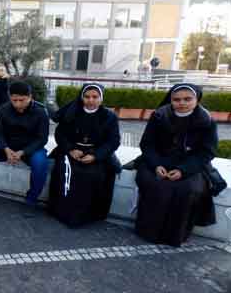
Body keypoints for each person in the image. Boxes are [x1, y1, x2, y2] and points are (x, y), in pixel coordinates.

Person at [133, 83, 217, 246]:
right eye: (176, 99)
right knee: (153, 184)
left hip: (191, 164)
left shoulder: (207, 120)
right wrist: (156, 165)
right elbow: (147, 145)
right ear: (170, 100)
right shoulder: (159, 116)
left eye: (187, 99)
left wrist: (183, 170)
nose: (182, 103)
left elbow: (207, 152)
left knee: (187, 189)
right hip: (157, 161)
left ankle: (175, 236)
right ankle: (148, 232)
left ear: (196, 99)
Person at [47, 84, 121, 227]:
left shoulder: (109, 116)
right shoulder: (72, 112)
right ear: (82, 97)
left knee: (95, 174)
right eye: (87, 97)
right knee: (65, 171)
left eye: (95, 97)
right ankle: (62, 212)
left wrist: (95, 156)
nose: (91, 100)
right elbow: (60, 134)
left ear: (101, 98)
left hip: (97, 153)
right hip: (72, 151)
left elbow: (113, 141)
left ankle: (90, 215)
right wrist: (70, 149)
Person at [0, 81, 50, 209]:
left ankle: (31, 200)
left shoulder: (40, 112)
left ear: (30, 97)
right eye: (14, 100)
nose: (17, 104)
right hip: (7, 146)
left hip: (31, 148)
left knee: (40, 163)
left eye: (22, 100)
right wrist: (5, 148)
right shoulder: (3, 109)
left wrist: (23, 152)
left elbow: (42, 139)